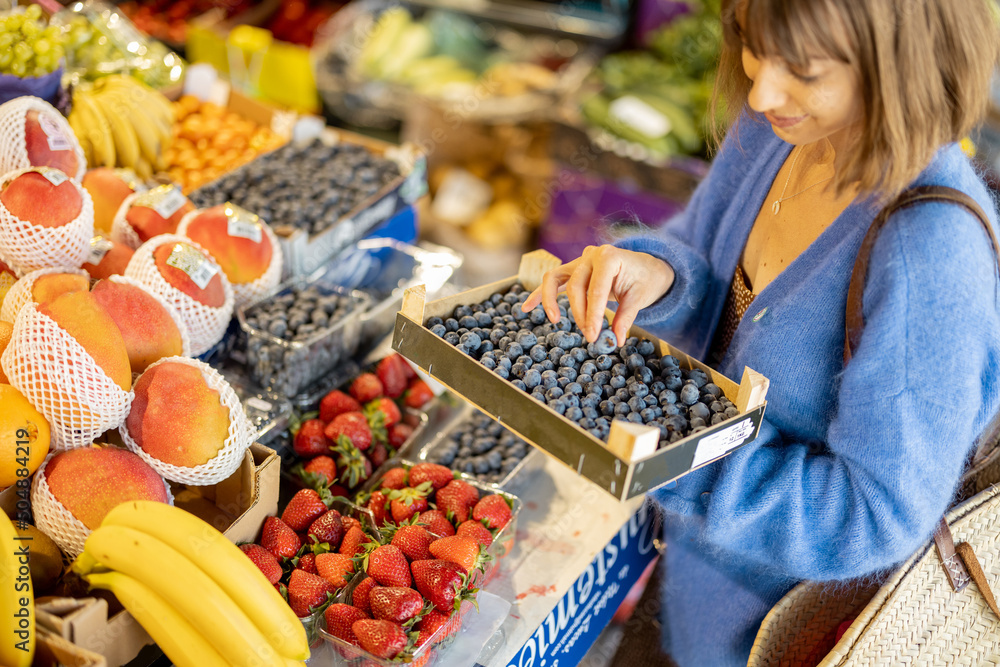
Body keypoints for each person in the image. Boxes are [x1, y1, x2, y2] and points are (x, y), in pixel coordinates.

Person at [522, 0, 1000, 665]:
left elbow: (872, 515)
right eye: (752, 45)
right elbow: (706, 259)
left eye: (802, 69)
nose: (762, 88)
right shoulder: (776, 130)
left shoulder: (931, 258)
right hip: (682, 584)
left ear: (903, 66)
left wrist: (678, 458)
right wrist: (657, 274)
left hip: (766, 642)